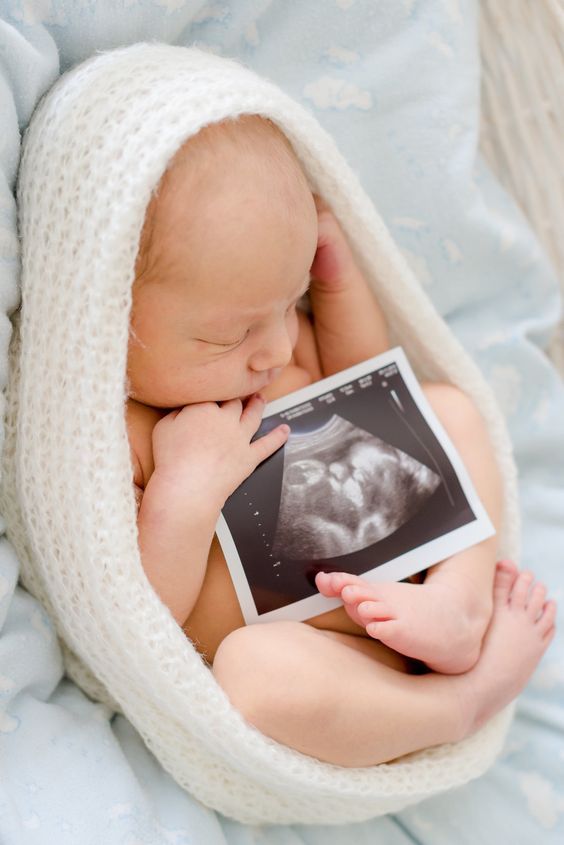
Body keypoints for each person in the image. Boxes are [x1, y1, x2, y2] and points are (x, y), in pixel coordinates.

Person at [125, 114, 556, 767]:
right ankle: (456, 705)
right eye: (227, 337)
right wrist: (182, 494)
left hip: (411, 547)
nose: (275, 348)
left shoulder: (274, 349)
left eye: (288, 302)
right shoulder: (136, 432)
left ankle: (460, 600)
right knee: (251, 677)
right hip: (332, 649)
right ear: (115, 320)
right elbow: (145, 617)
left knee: (446, 408)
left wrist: (335, 283)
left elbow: (366, 389)